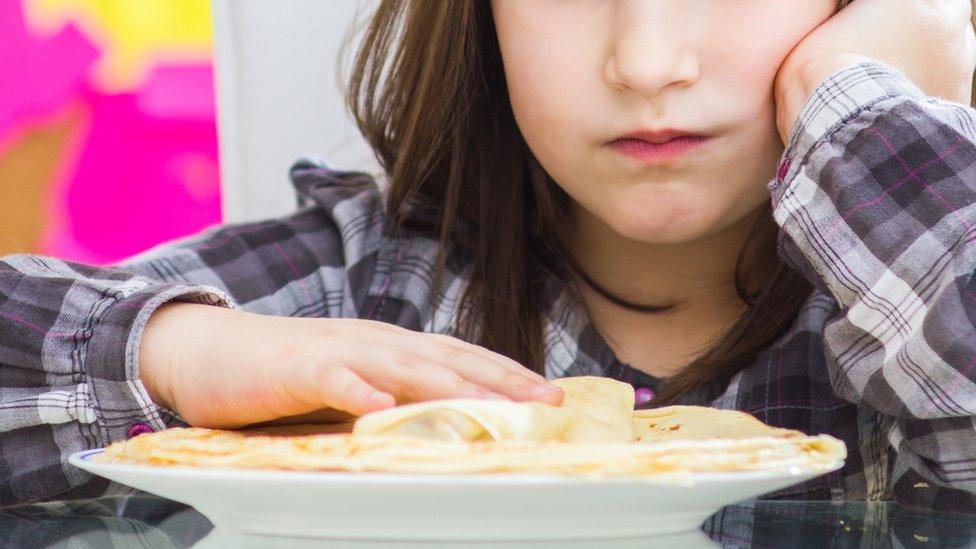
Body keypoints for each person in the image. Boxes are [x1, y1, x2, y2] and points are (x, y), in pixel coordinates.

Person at [1, 0, 974, 510]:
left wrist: (857, 109)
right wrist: (176, 352)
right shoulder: (357, 288)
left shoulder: (917, 271)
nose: (646, 63)